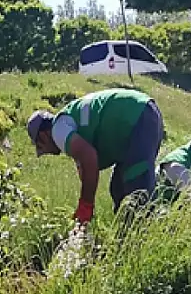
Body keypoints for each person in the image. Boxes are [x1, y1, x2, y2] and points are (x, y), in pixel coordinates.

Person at [26, 88, 164, 224]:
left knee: (136, 189)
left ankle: (143, 236)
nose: (46, 153)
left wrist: (86, 205)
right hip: (143, 113)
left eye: (40, 147)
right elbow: (85, 164)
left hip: (137, 117)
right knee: (118, 188)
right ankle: (128, 236)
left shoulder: (58, 131)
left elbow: (89, 157)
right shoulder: (69, 123)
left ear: (43, 136)